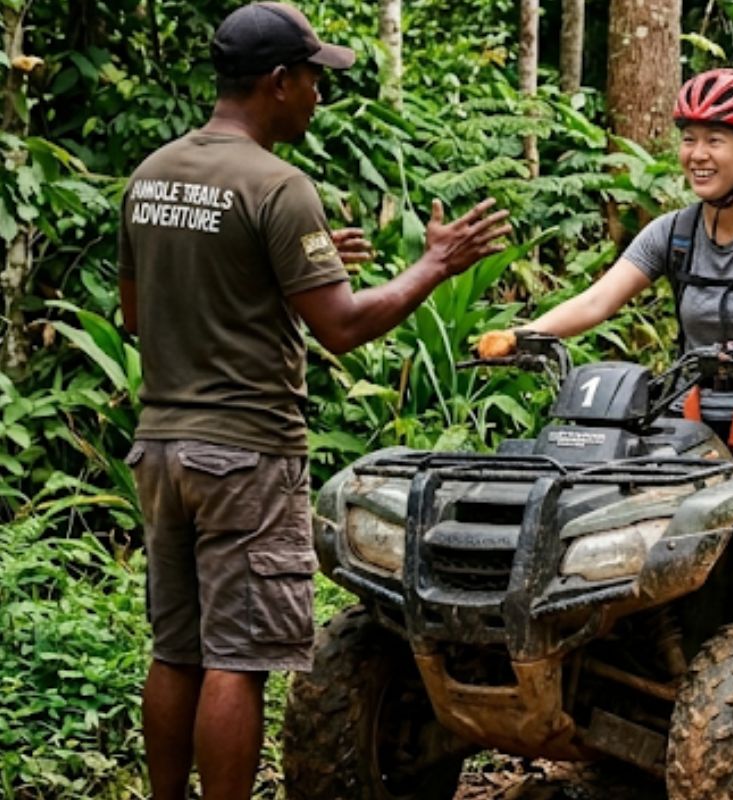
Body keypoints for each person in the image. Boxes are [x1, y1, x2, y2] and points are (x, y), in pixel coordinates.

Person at [117, 4, 511, 798]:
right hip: (246, 455)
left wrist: (279, 275)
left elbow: (137, 314)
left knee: (176, 649)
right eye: (311, 80)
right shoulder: (279, 185)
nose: (316, 98)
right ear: (277, 83)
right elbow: (341, 324)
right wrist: (434, 266)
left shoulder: (152, 173)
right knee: (239, 658)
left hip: (160, 448)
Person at [478, 68, 733, 475]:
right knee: (616, 489)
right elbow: (597, 300)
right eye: (689, 140)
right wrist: (521, 336)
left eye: (714, 140)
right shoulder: (673, 232)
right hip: (686, 416)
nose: (697, 154)